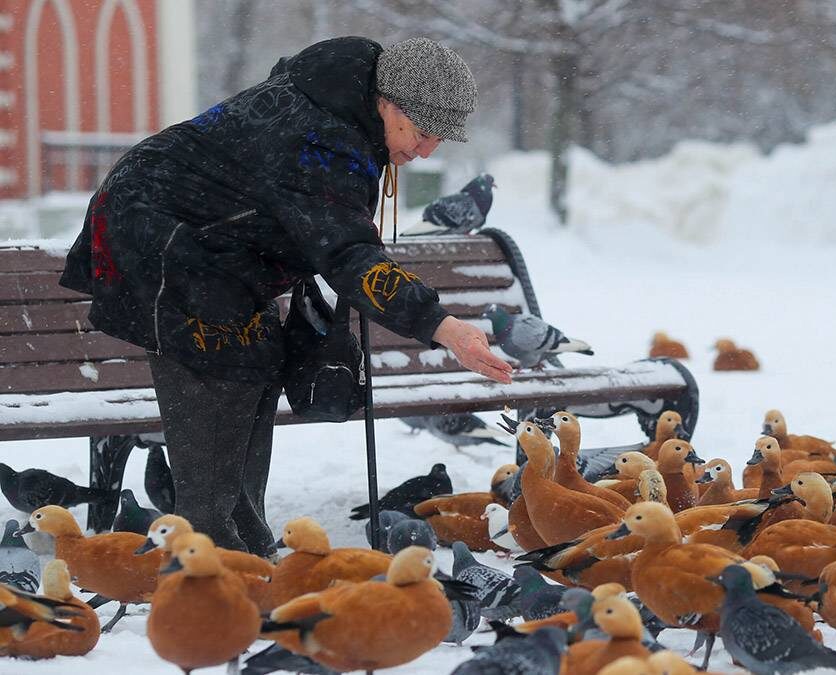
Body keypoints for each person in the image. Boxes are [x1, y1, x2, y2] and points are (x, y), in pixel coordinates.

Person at [58, 36, 513, 556]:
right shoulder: (323, 143)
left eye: (439, 139)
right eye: (424, 133)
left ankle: (247, 546)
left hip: (211, 244)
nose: (427, 150)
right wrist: (442, 326)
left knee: (254, 366)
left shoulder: (343, 105)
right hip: (160, 241)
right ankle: (209, 560)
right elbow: (348, 254)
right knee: (218, 381)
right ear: (390, 104)